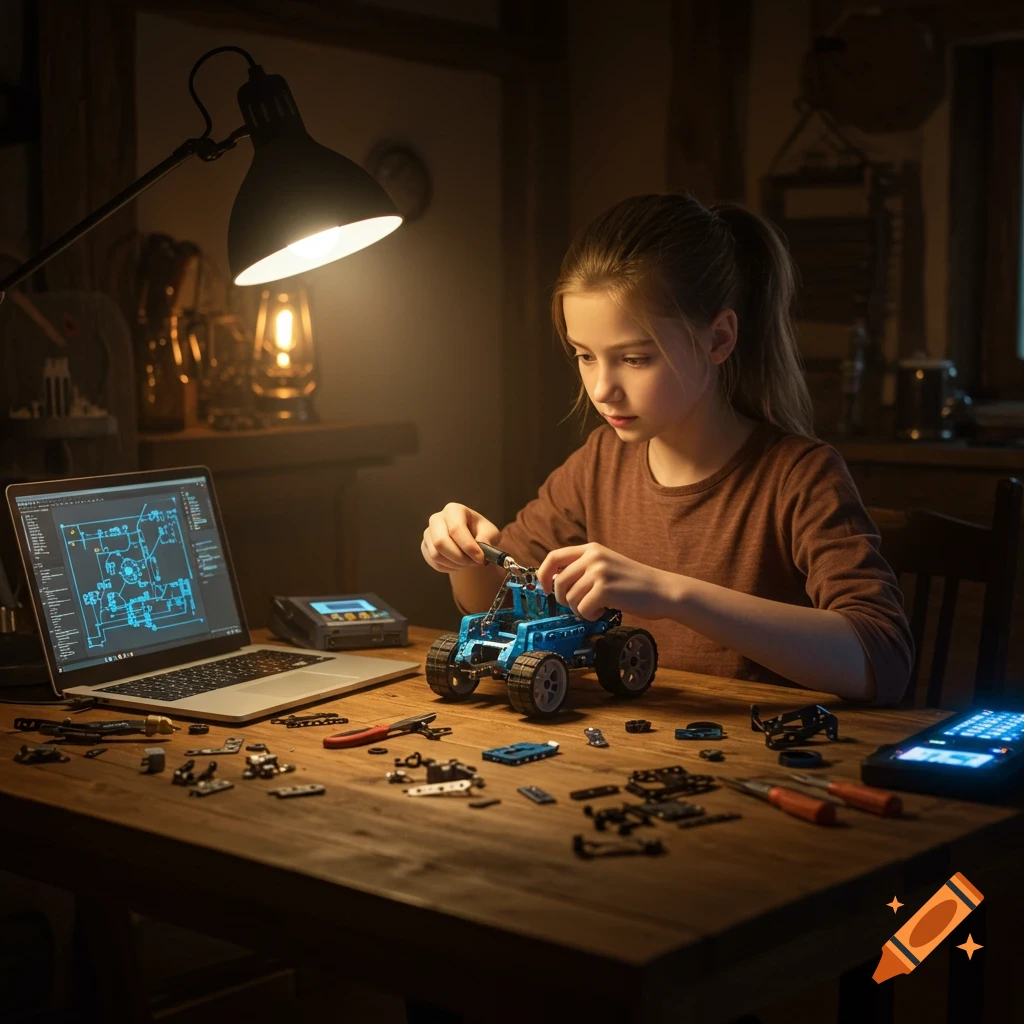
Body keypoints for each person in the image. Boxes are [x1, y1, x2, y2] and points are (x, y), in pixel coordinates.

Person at [420, 193, 913, 705]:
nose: (601, 389)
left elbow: (883, 661)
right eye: (584, 356)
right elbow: (493, 605)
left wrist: (670, 593)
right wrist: (468, 558)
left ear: (719, 339)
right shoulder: (600, 463)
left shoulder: (799, 477)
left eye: (634, 358)